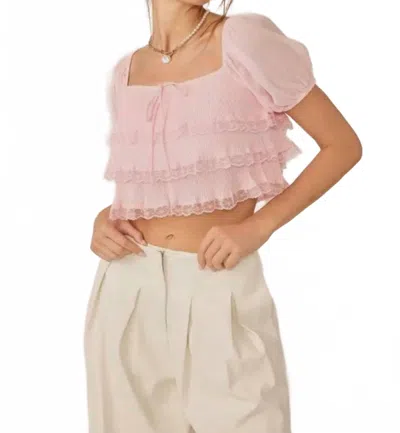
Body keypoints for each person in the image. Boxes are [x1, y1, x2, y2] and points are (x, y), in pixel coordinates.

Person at [84, 1, 362, 432]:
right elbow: (152, 186)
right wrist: (106, 219)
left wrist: (259, 226)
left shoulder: (243, 41)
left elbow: (342, 145)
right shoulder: (127, 71)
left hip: (215, 280)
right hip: (126, 288)